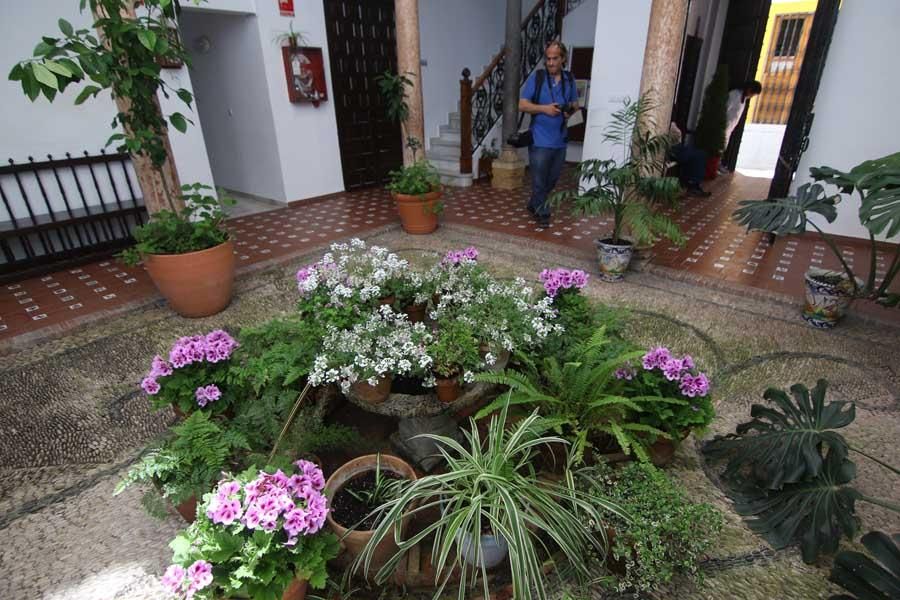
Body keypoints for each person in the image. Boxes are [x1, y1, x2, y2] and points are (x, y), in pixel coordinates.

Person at [518, 40, 579, 228]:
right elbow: (522, 104)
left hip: (560, 140)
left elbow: (575, 103)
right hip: (539, 139)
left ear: (563, 59)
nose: (550, 62)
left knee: (551, 180)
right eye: (548, 59)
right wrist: (544, 109)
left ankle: (534, 203)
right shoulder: (537, 78)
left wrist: (570, 110)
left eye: (555, 59)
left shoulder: (569, 79)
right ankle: (543, 212)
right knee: (538, 178)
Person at [721, 80, 762, 172]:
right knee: (719, 146)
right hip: (724, 125)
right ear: (749, 89)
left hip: (729, 127)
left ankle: (718, 164)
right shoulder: (735, 95)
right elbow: (725, 109)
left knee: (723, 147)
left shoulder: (743, 99)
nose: (752, 96)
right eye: (753, 93)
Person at [668, 123, 710, 197]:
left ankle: (694, 184)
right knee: (695, 156)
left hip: (678, 146)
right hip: (674, 148)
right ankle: (692, 184)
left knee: (701, 154)